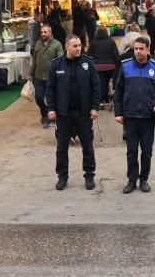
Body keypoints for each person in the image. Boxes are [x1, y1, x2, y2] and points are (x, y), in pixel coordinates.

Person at [114, 37, 155, 193]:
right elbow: (118, 91)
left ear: (148, 49)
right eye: (135, 49)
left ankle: (144, 179)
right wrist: (118, 113)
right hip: (130, 117)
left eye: (141, 49)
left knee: (147, 151)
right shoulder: (125, 67)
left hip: (147, 117)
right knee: (131, 150)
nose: (138, 51)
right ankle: (132, 180)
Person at [45, 35, 101, 191]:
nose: (78, 48)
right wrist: (51, 108)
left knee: (88, 147)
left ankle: (89, 175)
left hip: (84, 114)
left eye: (80, 45)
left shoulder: (88, 63)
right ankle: (62, 177)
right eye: (75, 46)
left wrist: (94, 107)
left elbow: (96, 86)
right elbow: (50, 88)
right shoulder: (56, 65)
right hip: (63, 114)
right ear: (66, 47)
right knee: (62, 148)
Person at [30, 24, 63, 128]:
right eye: (42, 32)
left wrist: (61, 74)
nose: (43, 34)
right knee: (39, 98)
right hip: (39, 76)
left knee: (50, 99)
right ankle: (45, 113)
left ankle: (50, 119)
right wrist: (30, 73)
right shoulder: (38, 44)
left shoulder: (57, 45)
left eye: (45, 32)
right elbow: (34, 60)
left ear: (50, 33)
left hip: (51, 77)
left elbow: (61, 61)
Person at [88, 26, 121, 100]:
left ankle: (102, 99)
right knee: (107, 82)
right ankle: (107, 97)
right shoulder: (111, 41)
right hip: (110, 66)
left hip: (97, 67)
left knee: (101, 83)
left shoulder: (93, 42)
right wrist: (117, 66)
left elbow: (88, 55)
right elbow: (116, 55)